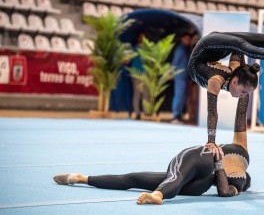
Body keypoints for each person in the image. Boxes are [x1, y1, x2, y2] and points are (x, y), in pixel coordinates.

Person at [53, 127, 250, 205]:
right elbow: (242, 108)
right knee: (135, 178)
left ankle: (158, 195)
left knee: (172, 177)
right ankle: (82, 178)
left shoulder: (239, 178)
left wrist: (219, 163)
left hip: (200, 176)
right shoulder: (240, 154)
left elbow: (224, 191)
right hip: (197, 169)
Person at [171, 32, 192, 124]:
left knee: (183, 96)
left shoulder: (186, 49)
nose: (188, 40)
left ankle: (179, 114)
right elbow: (175, 63)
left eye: (189, 39)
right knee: (179, 95)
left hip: (185, 76)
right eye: (186, 38)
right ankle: (176, 116)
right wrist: (171, 73)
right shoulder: (180, 50)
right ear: (182, 39)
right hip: (179, 76)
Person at [130, 33, 147, 120]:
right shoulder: (135, 49)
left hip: (144, 74)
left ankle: (145, 112)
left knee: (145, 94)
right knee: (137, 94)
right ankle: (137, 113)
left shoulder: (146, 50)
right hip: (137, 74)